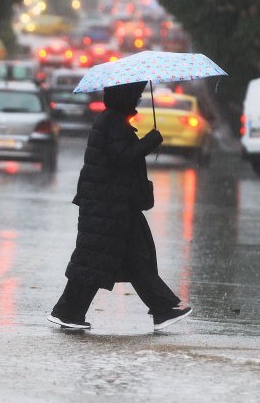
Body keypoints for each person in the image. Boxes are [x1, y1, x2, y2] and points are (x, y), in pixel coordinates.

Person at [47, 80, 193, 331]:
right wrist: (150, 141)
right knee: (97, 260)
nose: (138, 99)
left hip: (116, 206)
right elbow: (121, 157)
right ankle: (67, 312)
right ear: (124, 96)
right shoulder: (112, 121)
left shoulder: (112, 120)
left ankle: (162, 309)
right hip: (108, 207)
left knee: (135, 257)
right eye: (136, 94)